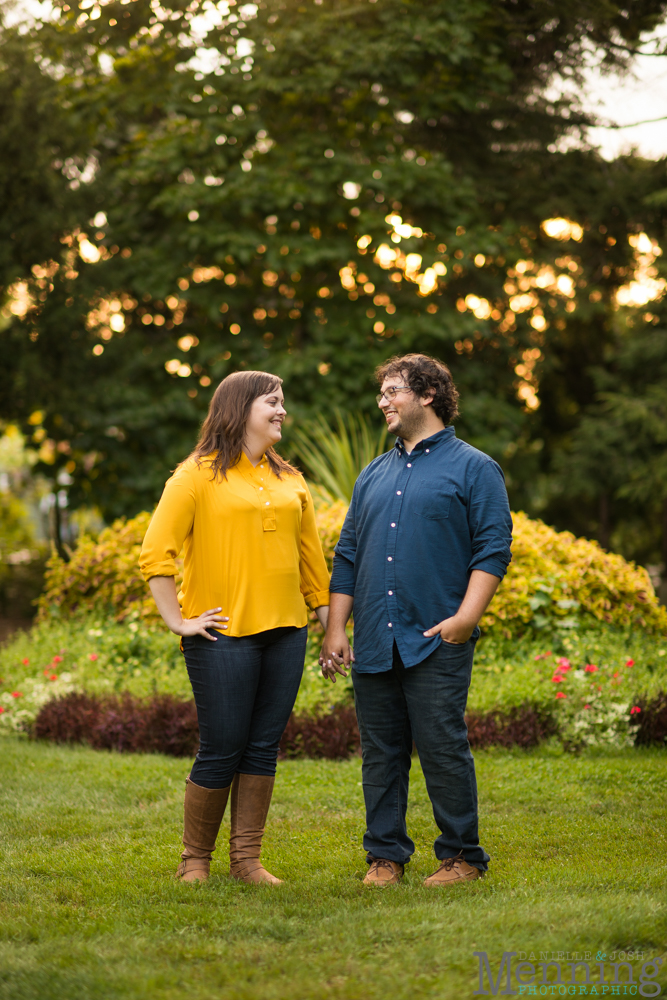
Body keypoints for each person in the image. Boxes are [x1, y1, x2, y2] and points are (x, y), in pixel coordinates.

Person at [320, 353, 512, 887]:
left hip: (436, 637)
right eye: (381, 393)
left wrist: (464, 620)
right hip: (376, 638)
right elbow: (348, 554)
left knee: (443, 747)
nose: (383, 401)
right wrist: (336, 629)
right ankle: (385, 857)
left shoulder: (476, 468)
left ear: (427, 394)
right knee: (380, 755)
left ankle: (462, 858)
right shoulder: (372, 475)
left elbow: (492, 550)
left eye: (392, 391)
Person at [140, 370, 330, 884]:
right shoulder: (194, 476)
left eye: (283, 402)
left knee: (263, 746)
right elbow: (156, 553)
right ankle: (193, 862)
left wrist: (331, 631)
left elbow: (313, 567)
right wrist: (178, 620)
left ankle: (247, 862)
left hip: (287, 633)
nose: (282, 411)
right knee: (222, 745)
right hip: (221, 636)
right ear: (240, 407)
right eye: (272, 401)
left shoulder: (291, 480)